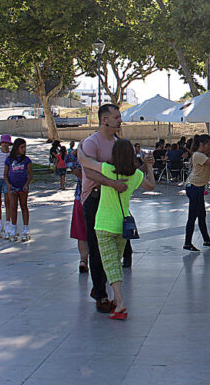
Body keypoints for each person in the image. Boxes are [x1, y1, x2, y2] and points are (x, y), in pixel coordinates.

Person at [80, 139, 155, 320]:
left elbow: (86, 163)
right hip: (123, 226)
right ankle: (116, 299)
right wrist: (149, 166)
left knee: (110, 264)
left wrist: (81, 148)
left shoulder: (108, 169)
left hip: (104, 224)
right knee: (115, 263)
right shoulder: (136, 175)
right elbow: (151, 185)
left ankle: (120, 302)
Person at [77, 104, 132, 314]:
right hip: (95, 198)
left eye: (120, 117)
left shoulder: (117, 143)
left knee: (114, 247)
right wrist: (113, 184)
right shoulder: (92, 143)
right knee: (97, 248)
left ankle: (106, 290)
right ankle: (100, 294)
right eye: (116, 117)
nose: (120, 120)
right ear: (104, 120)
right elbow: (89, 172)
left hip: (114, 199)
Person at [183, 135, 210, 251]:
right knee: (192, 216)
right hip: (194, 187)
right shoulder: (198, 155)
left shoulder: (202, 154)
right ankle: (187, 243)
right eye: (208, 144)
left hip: (199, 188)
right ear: (202, 144)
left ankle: (206, 240)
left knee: (202, 215)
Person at [4, 138, 33, 242]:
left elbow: (30, 174)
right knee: (12, 207)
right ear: (16, 147)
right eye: (22, 147)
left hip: (22, 187)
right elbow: (5, 175)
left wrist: (26, 184)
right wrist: (8, 185)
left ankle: (25, 229)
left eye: (25, 147)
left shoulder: (26, 160)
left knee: (24, 206)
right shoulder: (9, 160)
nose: (24, 149)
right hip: (12, 187)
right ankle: (14, 228)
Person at [67, 145, 88, 273]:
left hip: (80, 198)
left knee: (82, 233)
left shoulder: (78, 165)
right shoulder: (97, 163)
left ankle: (83, 260)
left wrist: (77, 150)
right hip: (97, 199)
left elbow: (68, 157)